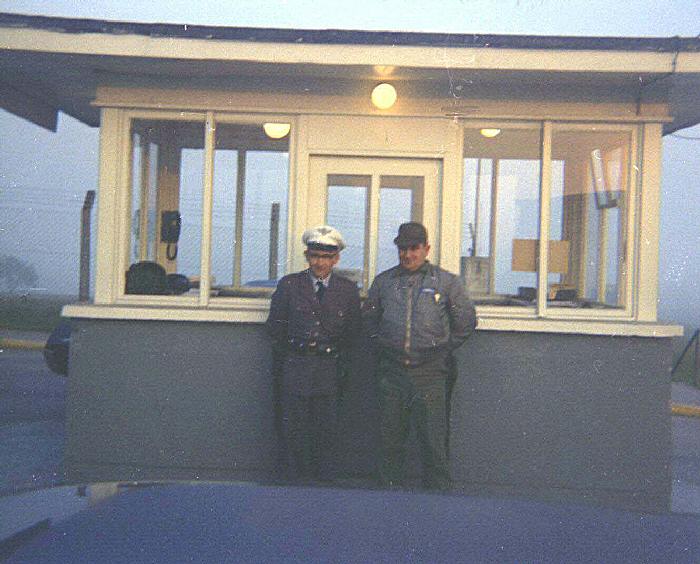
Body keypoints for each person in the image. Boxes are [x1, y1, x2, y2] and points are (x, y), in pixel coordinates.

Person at [363, 222, 476, 490]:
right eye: (402, 249)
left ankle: (437, 506)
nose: (408, 255)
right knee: (389, 441)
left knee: (433, 442)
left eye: (414, 249)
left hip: (430, 376)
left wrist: (439, 351)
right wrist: (386, 347)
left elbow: (466, 322)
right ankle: (387, 502)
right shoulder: (384, 282)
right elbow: (369, 321)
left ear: (426, 249)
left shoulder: (446, 282)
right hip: (392, 374)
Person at [266, 225, 361, 483]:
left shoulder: (348, 291)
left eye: (327, 257)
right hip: (296, 367)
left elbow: (353, 333)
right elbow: (275, 328)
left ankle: (323, 493)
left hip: (329, 370)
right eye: (315, 256)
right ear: (307, 256)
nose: (320, 263)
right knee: (292, 433)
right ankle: (292, 490)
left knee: (325, 433)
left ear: (336, 259)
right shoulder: (289, 286)